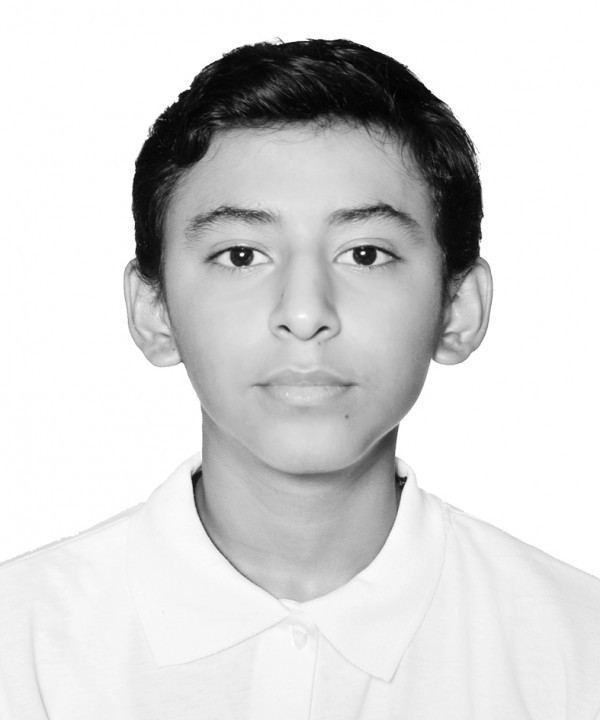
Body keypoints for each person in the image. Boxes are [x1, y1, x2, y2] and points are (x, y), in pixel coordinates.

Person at [1, 38, 599, 719]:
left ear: (458, 307)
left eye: (365, 254)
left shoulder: (577, 657)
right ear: (154, 310)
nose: (306, 312)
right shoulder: (23, 654)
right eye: (241, 255)